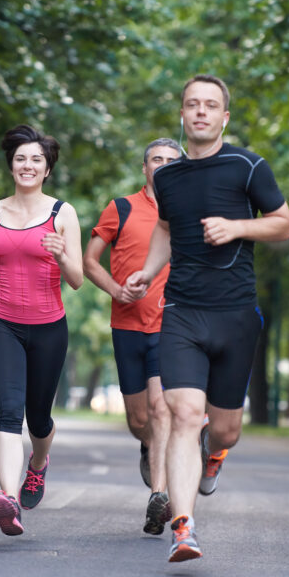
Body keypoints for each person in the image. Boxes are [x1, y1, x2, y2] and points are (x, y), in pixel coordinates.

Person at [124, 75, 289, 562]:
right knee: (181, 416)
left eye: (211, 105)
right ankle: (184, 527)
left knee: (224, 430)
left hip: (236, 314)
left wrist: (238, 226)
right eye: (192, 105)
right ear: (182, 114)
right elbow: (164, 227)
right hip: (181, 312)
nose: (200, 112)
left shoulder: (247, 165)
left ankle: (213, 455)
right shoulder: (168, 177)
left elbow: (284, 223)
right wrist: (147, 272)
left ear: (224, 117)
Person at [0, 124, 83, 536]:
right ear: (12, 165)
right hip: (4, 323)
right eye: (21, 158)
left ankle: (38, 464)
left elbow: (77, 279)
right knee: (9, 411)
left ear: (47, 169)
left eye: (36, 160)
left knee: (38, 417)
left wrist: (61, 256)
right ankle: (7, 499)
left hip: (48, 327)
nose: (27, 165)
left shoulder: (64, 214)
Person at [83, 137, 183, 536]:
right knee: (139, 418)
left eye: (170, 160)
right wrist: (115, 289)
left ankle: (159, 496)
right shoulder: (120, 208)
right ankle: (148, 446)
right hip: (126, 325)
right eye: (155, 160)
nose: (162, 165)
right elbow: (90, 261)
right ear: (145, 168)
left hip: (171, 324)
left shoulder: (188, 210)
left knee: (161, 410)